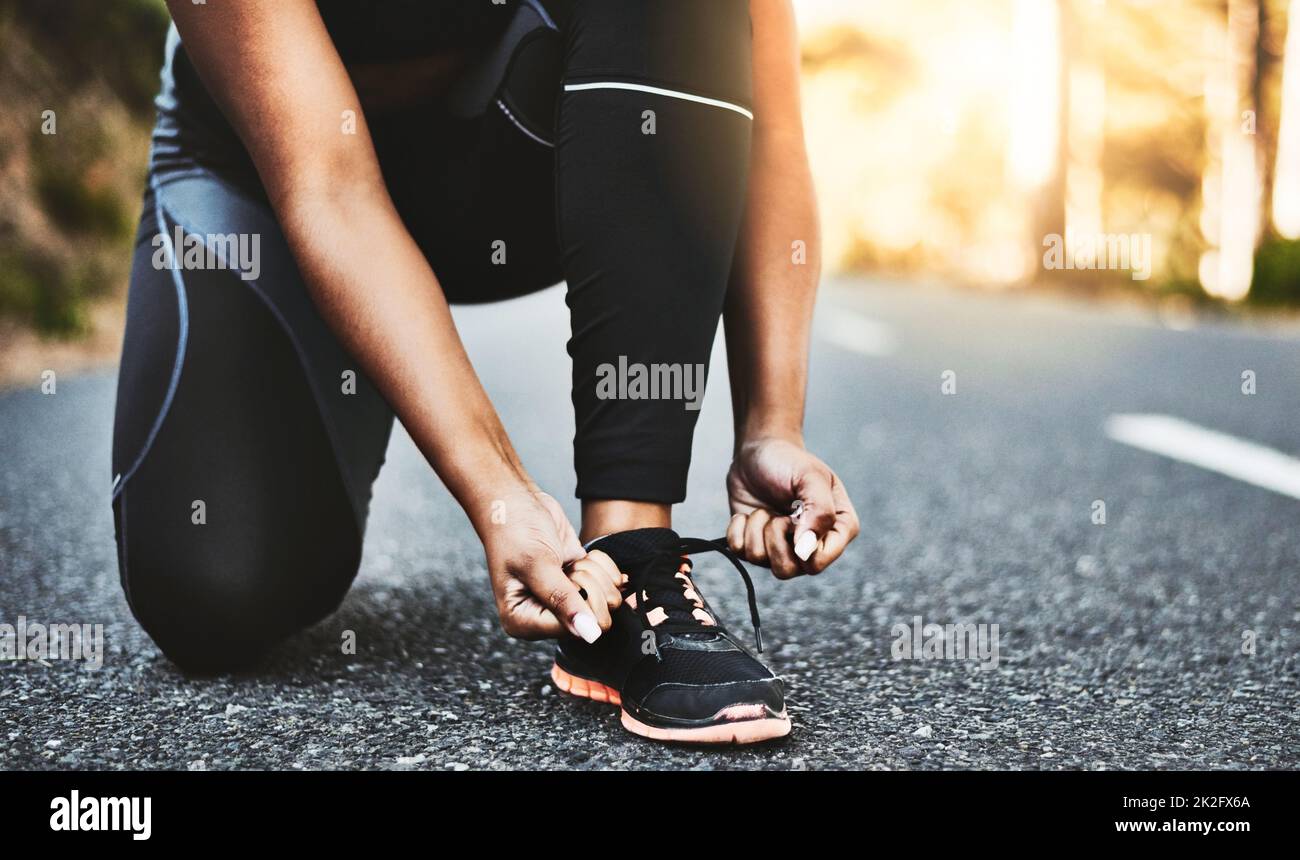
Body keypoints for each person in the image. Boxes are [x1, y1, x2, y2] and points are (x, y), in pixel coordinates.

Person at [111, 0, 859, 744]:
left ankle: (629, 560)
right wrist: (498, 494)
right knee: (212, 595)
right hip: (277, 175)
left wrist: (772, 423)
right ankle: (361, 340)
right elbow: (328, 186)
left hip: (519, 150)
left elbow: (771, 137)